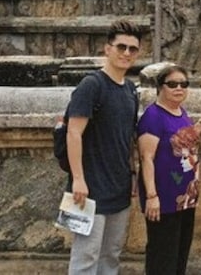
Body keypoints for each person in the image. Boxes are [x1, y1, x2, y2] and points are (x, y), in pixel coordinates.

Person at [65, 19, 143, 275]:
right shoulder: (92, 85)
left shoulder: (131, 90)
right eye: (121, 47)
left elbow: (128, 136)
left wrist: (132, 174)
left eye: (133, 49)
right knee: (86, 257)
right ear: (107, 49)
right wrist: (78, 179)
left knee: (111, 256)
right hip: (89, 188)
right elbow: (73, 132)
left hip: (119, 187)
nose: (127, 53)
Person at [137, 64, 201, 275]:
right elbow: (146, 157)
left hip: (186, 197)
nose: (179, 88)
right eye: (172, 84)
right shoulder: (153, 116)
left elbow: (184, 140)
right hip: (164, 198)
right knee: (163, 257)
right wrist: (152, 196)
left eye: (183, 84)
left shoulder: (180, 112)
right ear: (160, 87)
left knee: (179, 255)